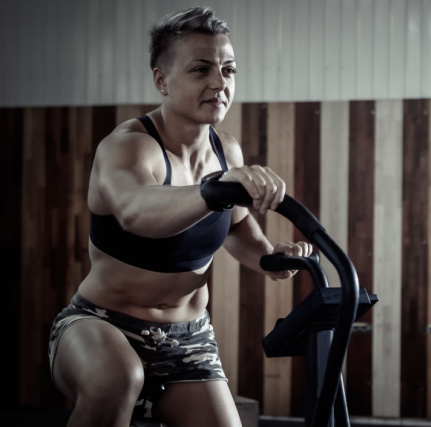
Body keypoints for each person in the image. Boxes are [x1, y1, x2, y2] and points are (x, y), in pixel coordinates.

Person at [47, 7, 311, 427]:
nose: (220, 83)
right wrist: (215, 188)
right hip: (101, 325)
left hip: (189, 337)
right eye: (201, 69)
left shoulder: (227, 150)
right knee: (117, 381)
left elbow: (238, 224)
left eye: (229, 70)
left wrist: (267, 257)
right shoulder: (129, 146)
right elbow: (138, 212)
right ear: (161, 81)